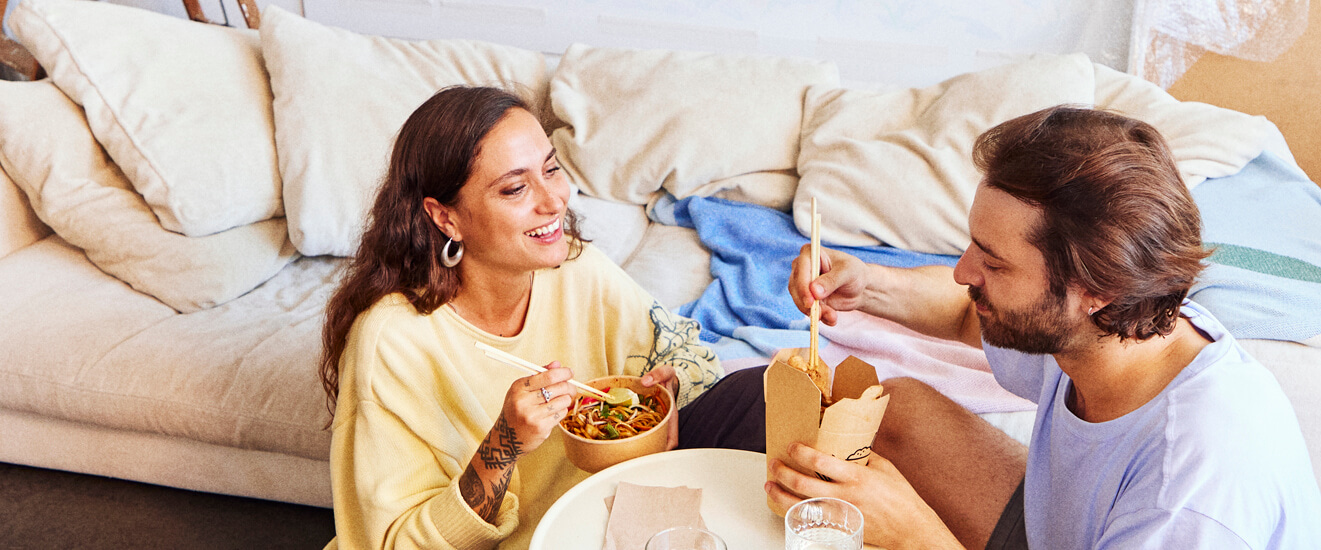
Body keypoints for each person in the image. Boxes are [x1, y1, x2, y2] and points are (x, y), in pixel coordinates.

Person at [771, 106, 1321, 549]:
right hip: (1067, 530)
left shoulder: (1188, 496)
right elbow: (969, 312)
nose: (963, 272)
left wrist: (912, 533)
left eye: (994, 262)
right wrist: (868, 286)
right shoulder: (1109, 329)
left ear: (1096, 290)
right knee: (897, 408)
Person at [317, 86, 725, 550]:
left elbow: (687, 354)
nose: (553, 202)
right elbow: (393, 545)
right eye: (515, 188)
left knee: (750, 397)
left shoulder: (576, 268)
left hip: (593, 530)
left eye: (551, 169)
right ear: (446, 218)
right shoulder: (390, 341)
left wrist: (667, 394)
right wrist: (503, 445)